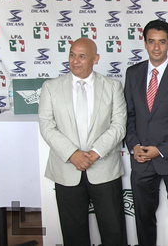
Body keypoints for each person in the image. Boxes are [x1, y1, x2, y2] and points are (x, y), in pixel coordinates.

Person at [38, 37, 127, 246]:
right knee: (73, 233)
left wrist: (94, 153)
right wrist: (73, 154)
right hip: (66, 170)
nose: (75, 61)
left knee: (113, 232)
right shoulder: (51, 87)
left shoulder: (113, 86)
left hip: (104, 169)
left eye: (82, 56)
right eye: (72, 54)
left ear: (95, 59)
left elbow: (119, 125)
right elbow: (47, 126)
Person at [124, 19, 168, 246]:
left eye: (162, 42)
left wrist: (160, 150)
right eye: (152, 42)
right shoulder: (133, 73)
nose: (156, 47)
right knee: (143, 218)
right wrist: (134, 146)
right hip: (141, 158)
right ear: (144, 43)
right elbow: (128, 116)